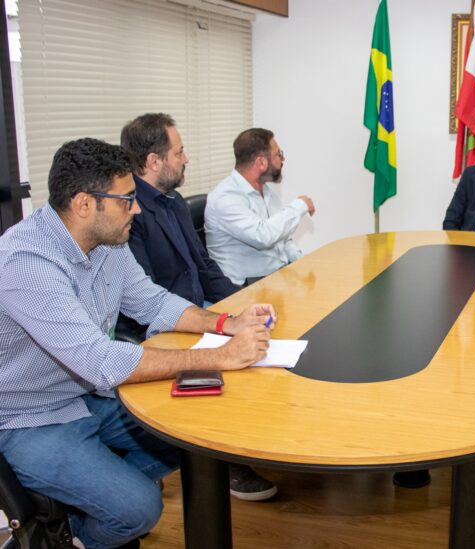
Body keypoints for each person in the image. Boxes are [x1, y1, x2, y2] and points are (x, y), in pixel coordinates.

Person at [0, 138, 273, 549]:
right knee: (140, 509)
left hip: (87, 394)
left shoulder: (106, 242)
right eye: (127, 199)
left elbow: (153, 301)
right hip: (29, 418)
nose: (138, 208)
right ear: (84, 204)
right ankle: (74, 538)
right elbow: (99, 360)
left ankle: (94, 500)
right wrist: (219, 357)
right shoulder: (27, 263)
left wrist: (225, 323)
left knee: (191, 441)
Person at [119, 113, 278, 502]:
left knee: (262, 339)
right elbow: (144, 295)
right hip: (160, 326)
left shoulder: (172, 203)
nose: (186, 158)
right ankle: (225, 461)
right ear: (154, 161)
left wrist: (237, 307)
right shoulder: (129, 213)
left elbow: (203, 265)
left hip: (197, 310)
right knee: (240, 362)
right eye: (180, 151)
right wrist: (215, 327)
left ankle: (248, 439)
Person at [205, 128, 315, 284]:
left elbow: (281, 238)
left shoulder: (266, 191)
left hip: (274, 280)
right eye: (278, 154)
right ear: (261, 162)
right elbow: (263, 236)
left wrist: (301, 262)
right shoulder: (225, 197)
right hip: (244, 290)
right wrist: (300, 205)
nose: (283, 159)